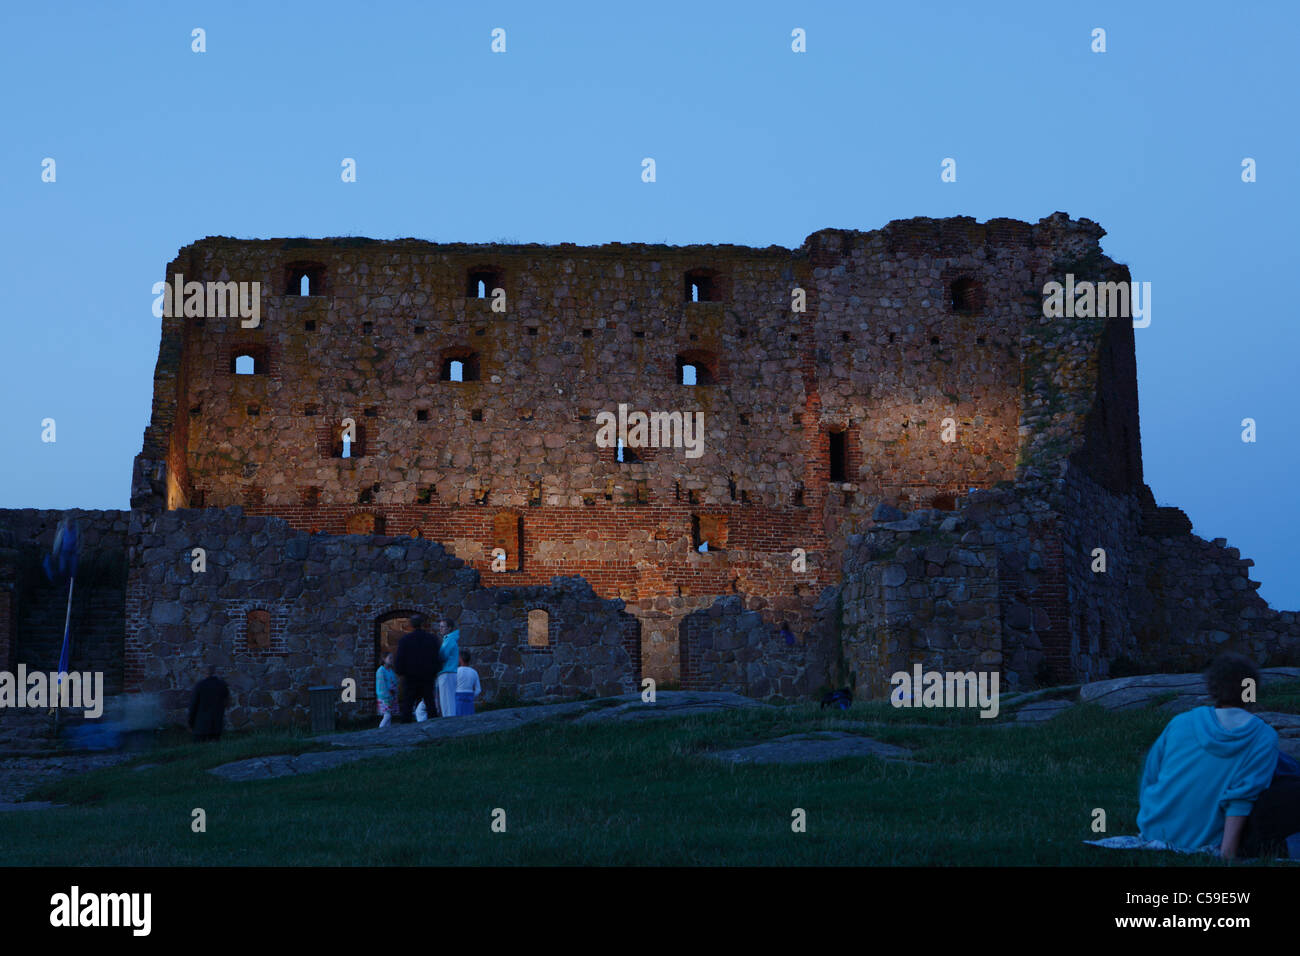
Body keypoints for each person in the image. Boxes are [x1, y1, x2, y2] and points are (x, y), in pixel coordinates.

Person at [1136, 653, 1280, 858]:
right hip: (1201, 840)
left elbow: (1150, 776)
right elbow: (1241, 798)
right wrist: (1227, 855)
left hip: (1153, 830)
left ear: (1212, 687)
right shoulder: (1264, 737)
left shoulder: (1180, 721)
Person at [393, 613, 439, 723]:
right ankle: (436, 728)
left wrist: (400, 672)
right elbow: (436, 657)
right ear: (422, 624)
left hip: (410, 677)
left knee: (408, 705)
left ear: (411, 625)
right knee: (430, 703)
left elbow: (400, 658)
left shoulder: (405, 640)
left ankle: (405, 728)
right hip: (427, 676)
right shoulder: (431, 639)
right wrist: (434, 672)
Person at [188, 666, 230, 743]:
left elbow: (193, 705)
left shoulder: (200, 686)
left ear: (204, 673)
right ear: (214, 672)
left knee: (199, 749)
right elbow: (226, 702)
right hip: (216, 725)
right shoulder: (222, 685)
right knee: (215, 749)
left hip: (201, 726)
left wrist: (190, 723)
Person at [436, 618, 460, 719]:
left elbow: (442, 656)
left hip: (447, 673)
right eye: (440, 626)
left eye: (443, 626)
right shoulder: (449, 639)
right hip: (449, 673)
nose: (440, 629)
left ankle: (450, 725)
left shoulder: (449, 640)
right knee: (447, 702)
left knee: (447, 703)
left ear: (449, 628)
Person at [455, 649, 481, 716]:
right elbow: (478, 690)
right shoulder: (474, 672)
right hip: (470, 699)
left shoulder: (456, 671)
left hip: (458, 699)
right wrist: (471, 695)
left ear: (460, 659)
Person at [375, 652, 398, 728]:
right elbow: (381, 685)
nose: (391, 660)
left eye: (392, 658)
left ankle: (387, 731)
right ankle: (380, 729)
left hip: (392, 696)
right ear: (384, 659)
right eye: (390, 658)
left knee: (389, 715)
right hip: (384, 697)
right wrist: (386, 694)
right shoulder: (381, 671)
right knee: (387, 715)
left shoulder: (391, 671)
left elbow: (394, 681)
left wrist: (394, 691)